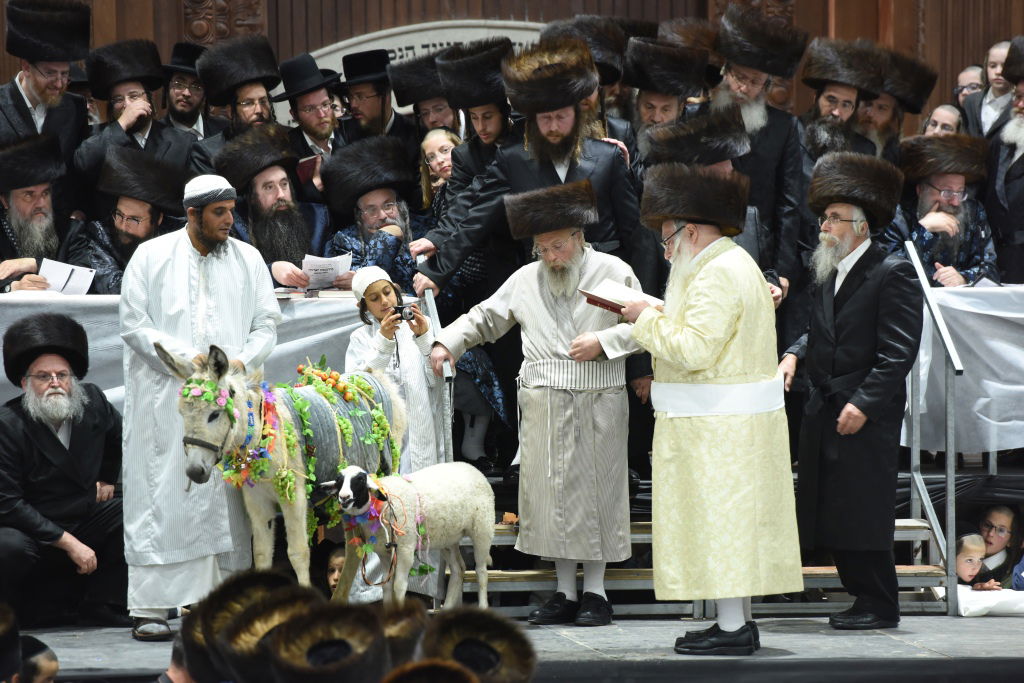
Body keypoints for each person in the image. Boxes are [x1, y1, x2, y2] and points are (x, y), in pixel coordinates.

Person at [431, 180, 641, 627]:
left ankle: (597, 593)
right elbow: (485, 316)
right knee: (551, 500)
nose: (550, 257)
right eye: (542, 248)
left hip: (599, 398)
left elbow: (648, 324)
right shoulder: (527, 278)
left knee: (597, 496)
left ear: (579, 237)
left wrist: (605, 340)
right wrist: (446, 343)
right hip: (544, 402)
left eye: (558, 246)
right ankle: (564, 591)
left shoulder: (614, 272)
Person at [621, 163, 802, 655]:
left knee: (723, 524)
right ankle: (733, 621)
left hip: (720, 426)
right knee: (726, 524)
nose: (666, 249)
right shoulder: (724, 264)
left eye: (667, 239)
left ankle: (731, 628)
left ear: (691, 231)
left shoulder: (719, 270)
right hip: (722, 423)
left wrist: (643, 319)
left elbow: (697, 349)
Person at [119, 174, 281, 641]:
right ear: (192, 214)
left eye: (233, 210)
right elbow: (133, 324)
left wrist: (241, 362)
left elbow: (267, 323)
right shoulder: (151, 256)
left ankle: (220, 605)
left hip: (228, 405)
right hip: (166, 401)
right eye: (219, 212)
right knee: (161, 496)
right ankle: (152, 607)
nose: (231, 220)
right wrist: (181, 357)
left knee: (226, 501)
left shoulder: (249, 259)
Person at [780, 152, 922, 631]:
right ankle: (861, 597)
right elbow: (819, 328)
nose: (825, 226)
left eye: (835, 219)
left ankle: (880, 604)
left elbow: (898, 353)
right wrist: (795, 352)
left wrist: (864, 403)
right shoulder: (830, 267)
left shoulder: (892, 271)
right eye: (824, 217)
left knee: (862, 508)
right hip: (825, 404)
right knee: (833, 508)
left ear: (861, 226)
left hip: (866, 411)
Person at [415, 38, 640, 297]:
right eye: (545, 118)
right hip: (547, 286)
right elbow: (476, 218)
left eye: (561, 117)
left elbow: (635, 235)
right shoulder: (513, 160)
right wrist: (437, 271)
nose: (553, 126)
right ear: (532, 121)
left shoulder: (607, 155)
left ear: (576, 115)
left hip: (605, 285)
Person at [0, 313, 128, 628]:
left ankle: (104, 603)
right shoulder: (7, 424)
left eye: (62, 375)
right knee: (7, 546)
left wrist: (107, 478)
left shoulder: (93, 402)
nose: (55, 384)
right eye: (44, 377)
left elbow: (116, 435)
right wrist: (68, 542)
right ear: (25, 382)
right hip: (32, 529)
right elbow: (8, 503)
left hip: (82, 516)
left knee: (132, 509)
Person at [709, 3, 808, 305]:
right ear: (724, 72)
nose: (742, 87)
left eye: (754, 82)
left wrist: (781, 269)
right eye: (738, 76)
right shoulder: (696, 116)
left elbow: (790, 204)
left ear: (765, 85)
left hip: (759, 251)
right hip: (704, 242)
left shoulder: (785, 127)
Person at [345, 266, 443, 473]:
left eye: (387, 292)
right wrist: (383, 341)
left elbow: (436, 380)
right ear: (363, 306)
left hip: (421, 425)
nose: (384, 301)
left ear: (396, 291)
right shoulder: (360, 338)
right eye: (374, 298)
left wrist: (424, 338)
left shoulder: (421, 325)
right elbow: (360, 390)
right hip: (385, 430)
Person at [213, 122, 334, 287]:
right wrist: (271, 272)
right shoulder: (234, 226)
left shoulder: (317, 217)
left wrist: (344, 277)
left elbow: (331, 265)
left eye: (284, 184)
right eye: (269, 187)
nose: (281, 195)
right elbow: (228, 277)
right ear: (252, 197)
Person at [0, 0, 91, 219]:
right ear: (26, 67)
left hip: (58, 228)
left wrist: (78, 209)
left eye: (65, 74)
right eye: (50, 73)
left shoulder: (74, 107)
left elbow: (76, 171)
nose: (59, 84)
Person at [65, 146, 187, 294]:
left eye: (134, 220)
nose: (123, 226)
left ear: (158, 219)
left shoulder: (179, 234)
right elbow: (114, 287)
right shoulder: (100, 234)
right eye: (119, 214)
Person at [74, 40, 195, 188]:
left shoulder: (182, 142)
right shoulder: (97, 136)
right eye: (118, 99)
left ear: (148, 99)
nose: (127, 105)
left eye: (134, 96)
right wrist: (122, 124)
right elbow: (83, 164)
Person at [881, 133, 999, 286]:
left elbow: (990, 269)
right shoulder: (897, 217)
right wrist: (924, 231)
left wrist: (963, 278)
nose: (956, 201)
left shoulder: (974, 212)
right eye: (947, 192)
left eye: (960, 192)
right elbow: (890, 274)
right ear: (921, 190)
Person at [321, 136, 424, 292]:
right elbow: (355, 291)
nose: (382, 215)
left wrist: (362, 279)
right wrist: (388, 236)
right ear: (360, 215)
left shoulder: (423, 230)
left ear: (400, 205)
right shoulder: (346, 241)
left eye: (388, 205)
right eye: (371, 210)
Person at [190, 35, 282, 174]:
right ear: (229, 111)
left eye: (263, 101)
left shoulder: (284, 142)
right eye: (248, 103)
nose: (259, 110)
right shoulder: (207, 154)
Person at [0, 134, 73, 293]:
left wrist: (35, 264)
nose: (40, 204)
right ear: (6, 201)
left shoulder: (70, 229)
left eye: (45, 193)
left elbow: (88, 279)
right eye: (29, 195)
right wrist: (12, 287)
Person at [621, 36, 707, 165]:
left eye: (666, 109)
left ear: (680, 109)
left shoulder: (692, 156)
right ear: (637, 103)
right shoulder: (620, 141)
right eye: (649, 107)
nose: (656, 118)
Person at [272, 53, 344, 203]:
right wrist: (311, 189)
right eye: (310, 109)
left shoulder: (350, 134)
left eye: (325, 104)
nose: (321, 114)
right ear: (295, 115)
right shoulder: (285, 155)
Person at [982, 35, 1024, 283]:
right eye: (1016, 97)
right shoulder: (1003, 141)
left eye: (1023, 97)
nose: (1018, 104)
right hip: (999, 262)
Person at [336, 49, 421, 170]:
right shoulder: (342, 137)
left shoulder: (414, 136)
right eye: (350, 97)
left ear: (385, 96)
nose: (353, 104)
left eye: (360, 96)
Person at [855, 45, 937, 164]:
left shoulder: (898, 155)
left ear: (893, 117)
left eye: (881, 108)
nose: (870, 113)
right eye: (867, 104)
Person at [160, 41, 229, 141]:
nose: (186, 93)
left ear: (205, 94)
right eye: (179, 84)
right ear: (167, 86)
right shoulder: (155, 136)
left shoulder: (223, 132)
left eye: (196, 87)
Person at [387, 51, 461, 136]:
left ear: (456, 107)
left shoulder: (477, 133)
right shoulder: (420, 144)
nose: (431, 119)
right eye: (425, 113)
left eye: (439, 109)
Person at [962, 41, 1012, 138]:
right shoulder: (971, 101)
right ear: (986, 68)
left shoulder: (1019, 104)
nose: (998, 72)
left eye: (1005, 66)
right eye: (992, 66)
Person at [979, 505, 1021, 586]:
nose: (991, 533)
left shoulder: (1012, 575)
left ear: (1011, 540)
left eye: (1001, 530)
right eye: (987, 525)